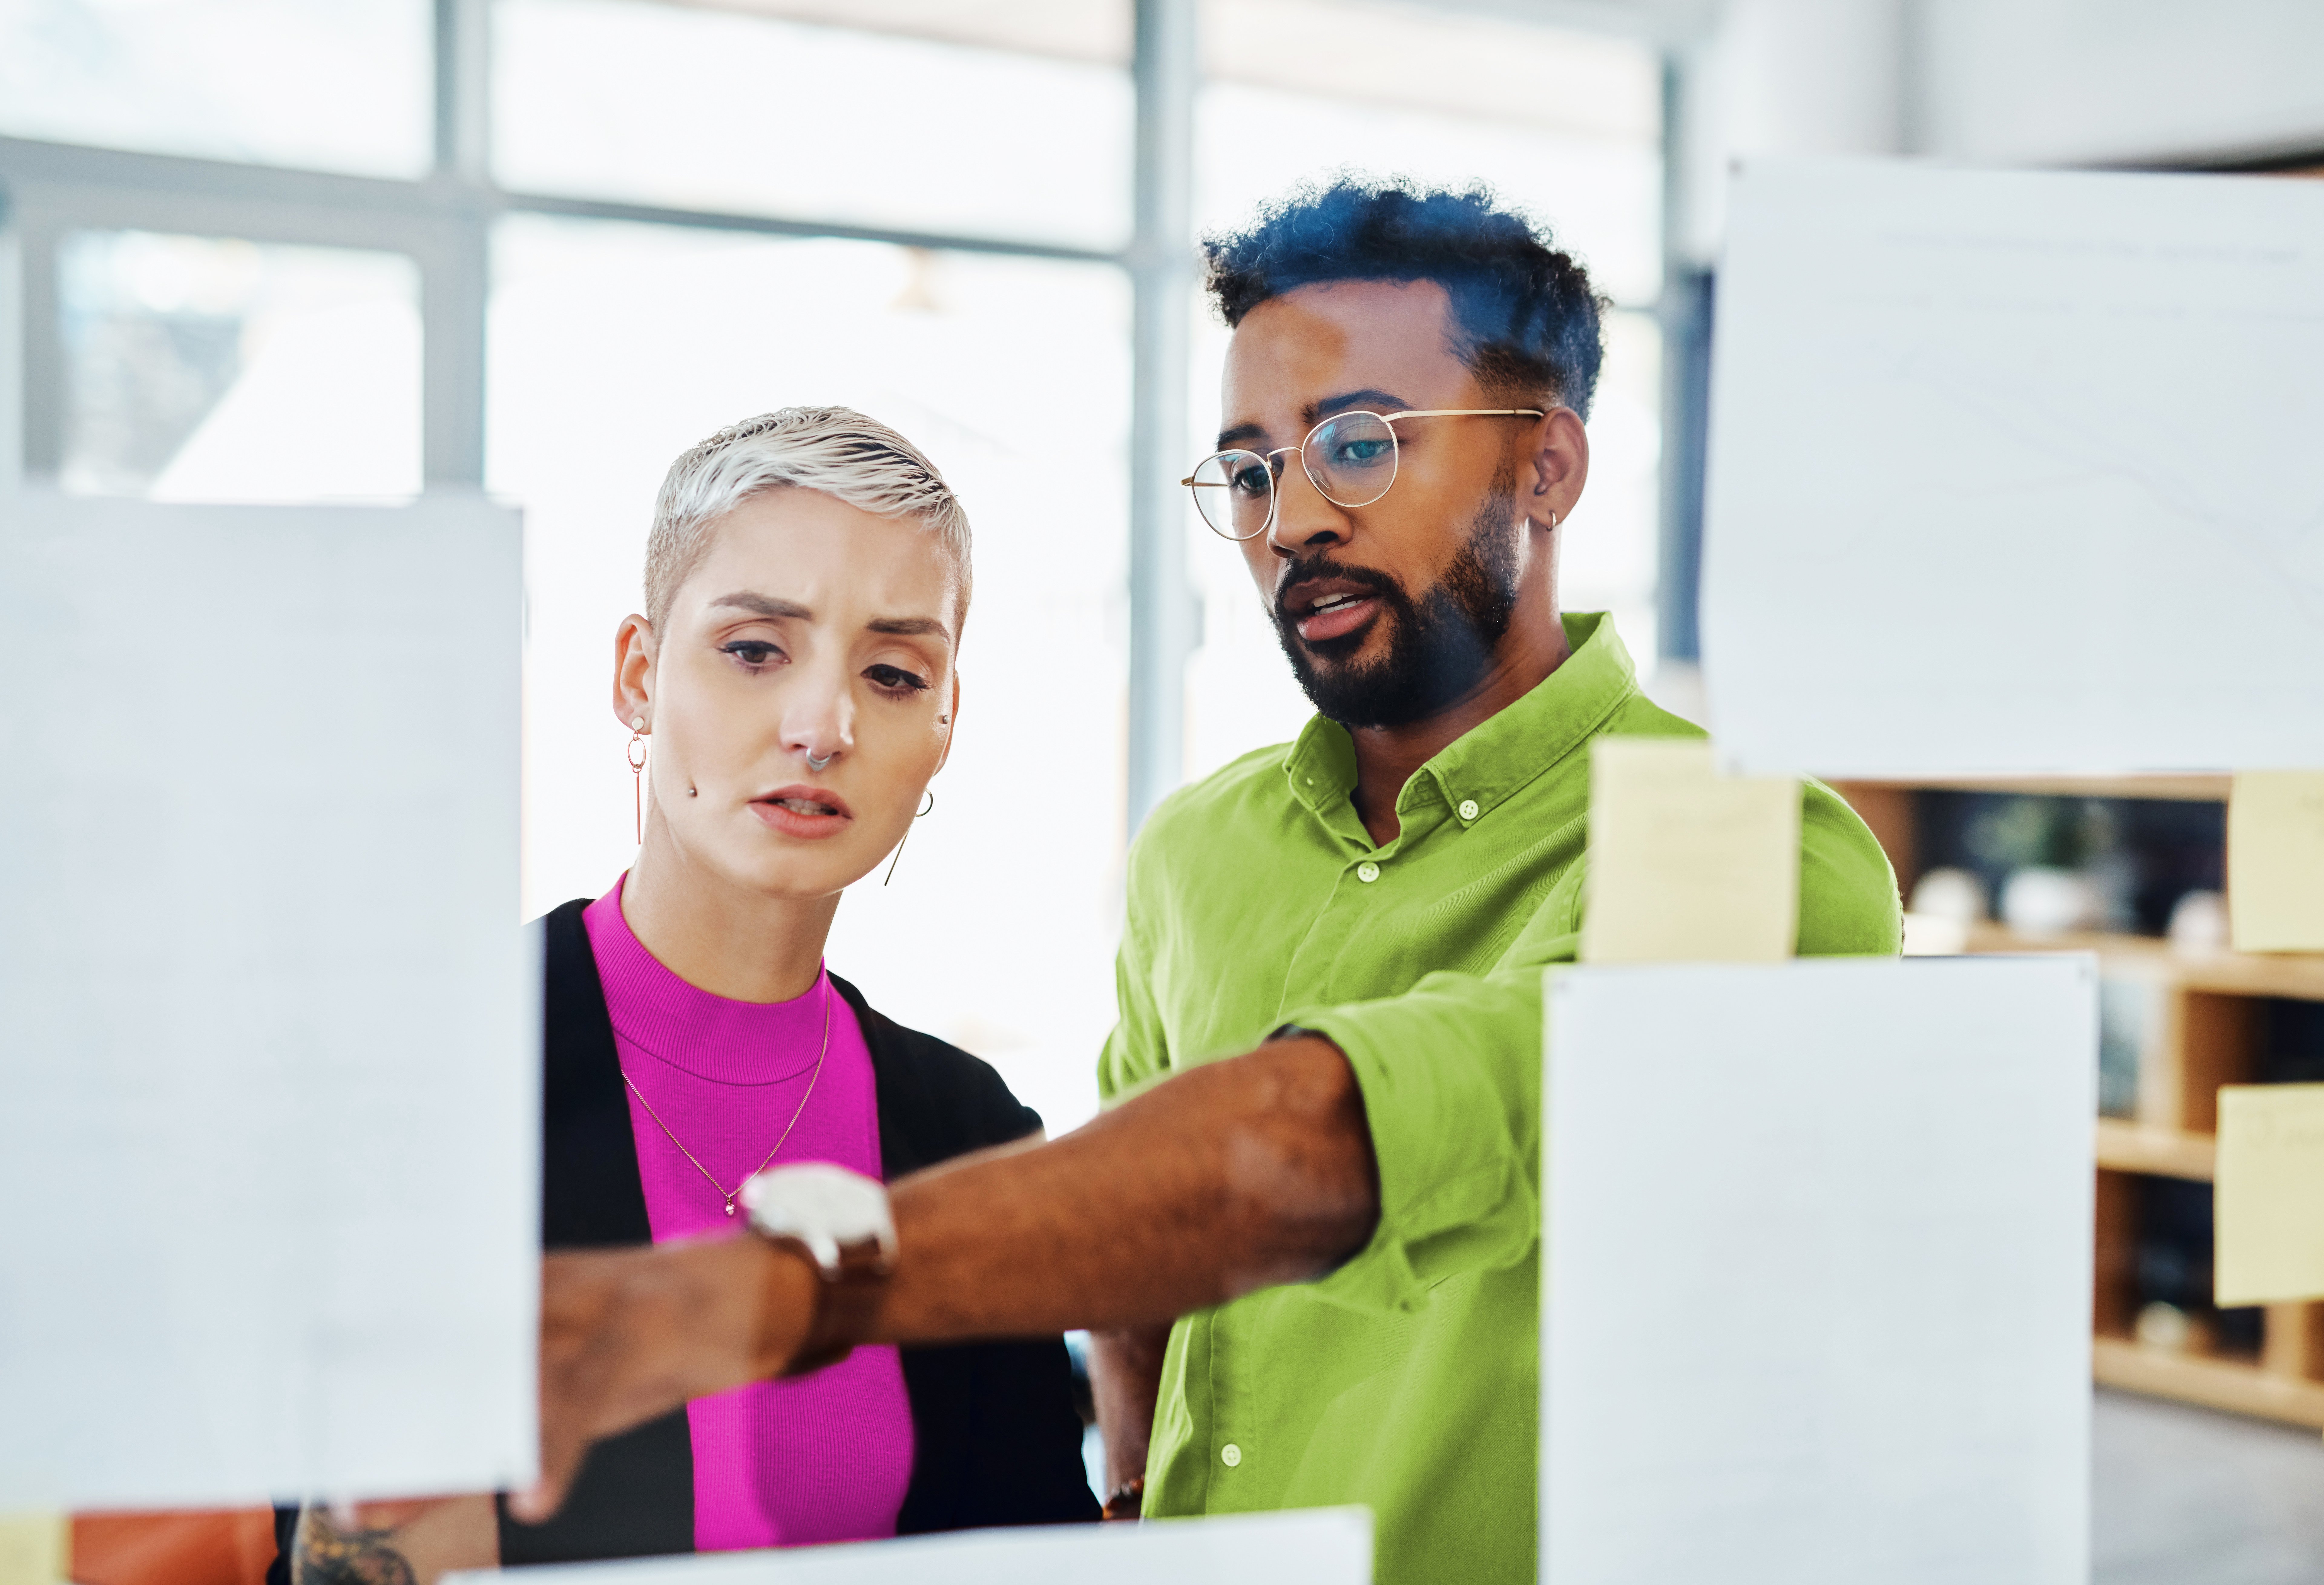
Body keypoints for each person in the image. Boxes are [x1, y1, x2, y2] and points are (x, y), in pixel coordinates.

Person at [520, 182, 1904, 1585]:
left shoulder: (1750, 849)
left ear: (1544, 466)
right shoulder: (1199, 852)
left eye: (1357, 445)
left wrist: (746, 1293)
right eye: (1248, 471)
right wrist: (1128, 1499)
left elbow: (1323, 1146)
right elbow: (1140, 1273)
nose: (1290, 516)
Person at [274, 407, 1098, 1583]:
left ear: (946, 721)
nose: (825, 726)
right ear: (638, 675)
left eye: (894, 670)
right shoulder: (417, 1077)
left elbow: (1026, 1553)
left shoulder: (972, 1135)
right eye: (757, 649)